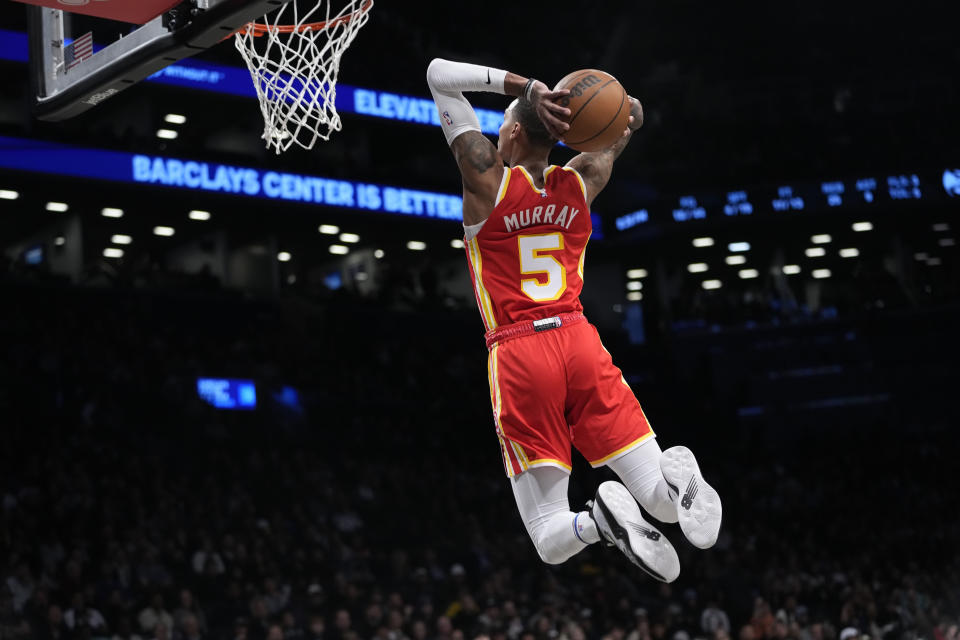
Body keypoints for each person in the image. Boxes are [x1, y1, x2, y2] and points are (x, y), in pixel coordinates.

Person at [426, 58, 723, 582]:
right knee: (658, 497)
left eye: (500, 127)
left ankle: (597, 523)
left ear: (514, 129)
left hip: (519, 352)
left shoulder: (487, 181)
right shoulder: (582, 180)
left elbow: (437, 74)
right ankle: (680, 478)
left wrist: (528, 87)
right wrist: (624, 113)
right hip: (579, 340)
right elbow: (623, 121)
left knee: (547, 536)